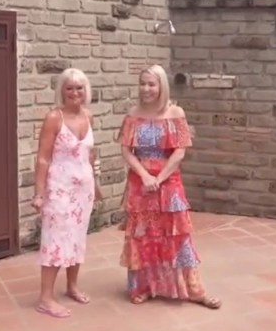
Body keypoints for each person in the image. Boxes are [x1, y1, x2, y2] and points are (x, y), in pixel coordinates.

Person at [118, 65, 221, 309]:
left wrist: (160, 177)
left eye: (151, 84)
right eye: (143, 83)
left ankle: (194, 290)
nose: (146, 89)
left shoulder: (176, 112)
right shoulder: (133, 113)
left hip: (169, 182)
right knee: (143, 234)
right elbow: (125, 149)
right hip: (140, 182)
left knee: (178, 235)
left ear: (162, 85)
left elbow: (180, 150)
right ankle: (143, 286)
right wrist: (144, 175)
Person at [32, 68, 101, 318]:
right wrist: (39, 193)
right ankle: (45, 297)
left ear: (86, 90)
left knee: (77, 236)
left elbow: (89, 155)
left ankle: (72, 285)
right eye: (69, 88)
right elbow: (42, 158)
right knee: (55, 240)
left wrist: (98, 185)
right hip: (59, 189)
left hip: (84, 190)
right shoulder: (54, 118)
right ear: (61, 91)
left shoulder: (89, 117)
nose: (75, 92)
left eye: (79, 87)